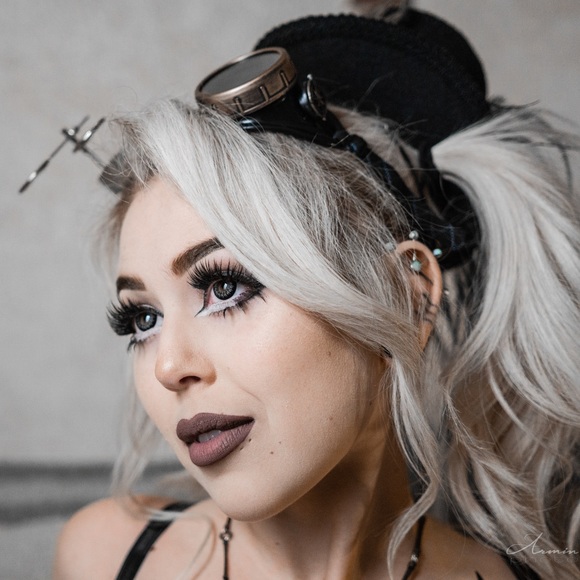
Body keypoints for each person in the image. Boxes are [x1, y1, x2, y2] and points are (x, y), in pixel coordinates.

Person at [52, 1, 580, 578]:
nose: (168, 368)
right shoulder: (103, 556)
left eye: (225, 287)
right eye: (143, 320)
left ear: (407, 296)